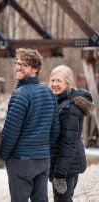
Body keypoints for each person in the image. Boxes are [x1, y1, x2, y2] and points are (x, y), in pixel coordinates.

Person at [0, 48, 60, 202]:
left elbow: (10, 132)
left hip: (21, 161)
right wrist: (44, 149)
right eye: (17, 63)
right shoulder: (49, 93)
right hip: (43, 160)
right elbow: (55, 130)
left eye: (24, 65)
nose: (18, 67)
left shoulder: (21, 95)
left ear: (35, 69)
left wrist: (4, 155)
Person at [49, 65, 94, 202]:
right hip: (67, 163)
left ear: (68, 83)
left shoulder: (69, 109)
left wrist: (60, 174)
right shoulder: (60, 101)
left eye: (59, 81)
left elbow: (68, 143)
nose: (54, 84)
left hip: (66, 166)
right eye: (52, 80)